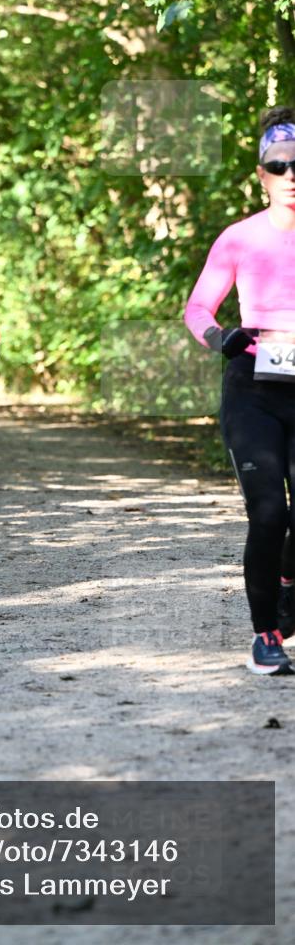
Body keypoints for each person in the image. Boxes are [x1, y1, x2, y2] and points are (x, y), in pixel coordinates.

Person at [184, 107, 295, 676]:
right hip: (253, 385)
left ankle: (287, 578)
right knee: (269, 511)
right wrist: (218, 335)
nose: (291, 174)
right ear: (262, 174)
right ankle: (266, 634)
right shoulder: (240, 239)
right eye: (279, 165)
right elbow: (198, 306)